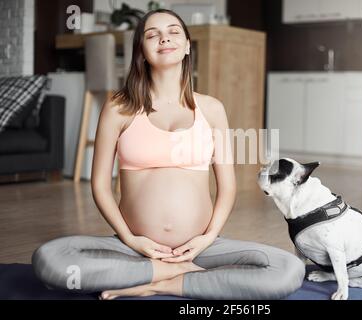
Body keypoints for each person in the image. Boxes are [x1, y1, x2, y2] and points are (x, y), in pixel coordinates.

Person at [31, 9, 305, 300]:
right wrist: (131, 239)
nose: (164, 38)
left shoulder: (212, 109)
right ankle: (173, 272)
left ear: (187, 45)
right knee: (50, 259)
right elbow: (100, 185)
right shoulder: (118, 108)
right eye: (152, 34)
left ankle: (159, 282)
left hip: (201, 248)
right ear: (142, 50)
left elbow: (227, 186)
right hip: (133, 248)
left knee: (287, 268)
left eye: (173, 31)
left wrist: (207, 238)